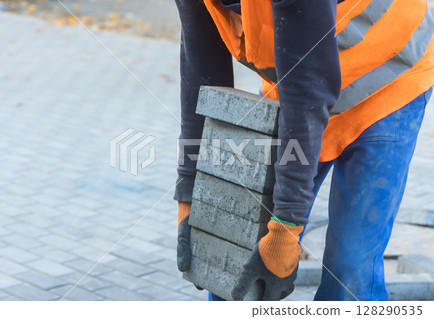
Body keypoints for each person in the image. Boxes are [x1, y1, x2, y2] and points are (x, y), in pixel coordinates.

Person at [174, 0, 434, 301]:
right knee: (240, 245)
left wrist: (286, 225)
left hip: (389, 74)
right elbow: (200, 66)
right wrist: (191, 196)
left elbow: (307, 94)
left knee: (349, 266)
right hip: (297, 85)